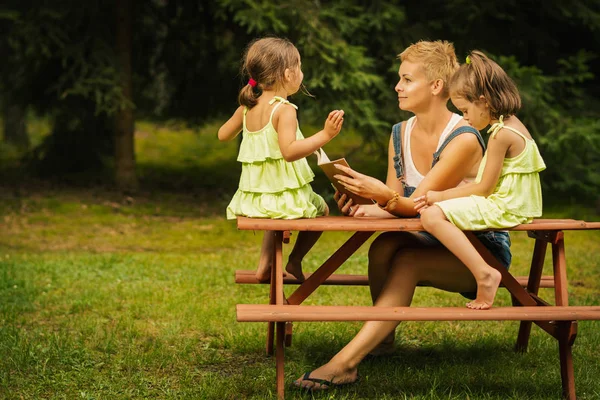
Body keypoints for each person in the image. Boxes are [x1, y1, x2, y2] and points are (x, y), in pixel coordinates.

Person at [293, 40, 511, 391]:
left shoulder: (464, 138)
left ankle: (345, 363)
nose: (397, 86)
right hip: (429, 235)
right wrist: (366, 203)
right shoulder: (400, 132)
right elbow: (398, 206)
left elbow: (415, 205)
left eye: (407, 79)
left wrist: (382, 196)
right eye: (400, 79)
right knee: (383, 246)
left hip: (477, 252)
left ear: (436, 86)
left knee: (407, 259)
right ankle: (384, 338)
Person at [414, 50, 546, 310]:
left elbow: (485, 189)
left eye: (465, 110)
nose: (464, 117)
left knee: (431, 216)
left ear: (484, 101)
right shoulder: (512, 126)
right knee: (434, 212)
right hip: (510, 203)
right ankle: (482, 272)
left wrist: (440, 196)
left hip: (505, 206)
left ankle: (484, 274)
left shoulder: (501, 135)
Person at [218, 37, 345, 283]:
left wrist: (244, 119)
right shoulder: (284, 110)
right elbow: (290, 151)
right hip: (283, 198)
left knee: (274, 218)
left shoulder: (247, 107)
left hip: (255, 200)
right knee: (322, 210)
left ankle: (264, 265)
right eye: (300, 67)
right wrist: (325, 135)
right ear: (288, 74)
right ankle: (295, 261)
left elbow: (222, 135)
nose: (302, 73)